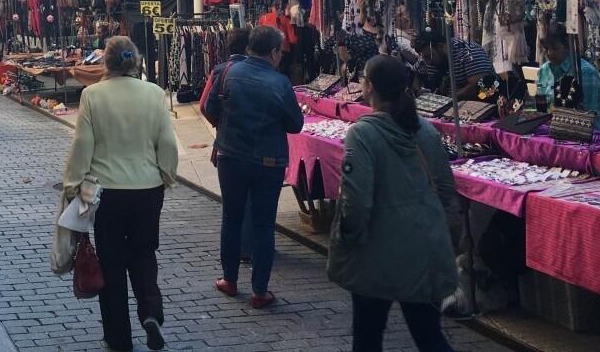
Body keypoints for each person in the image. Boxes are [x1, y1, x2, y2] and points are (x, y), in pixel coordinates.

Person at [327, 55, 460, 352]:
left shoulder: (363, 133)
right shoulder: (424, 129)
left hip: (378, 251)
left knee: (368, 335)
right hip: (426, 243)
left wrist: (347, 236)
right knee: (428, 333)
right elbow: (447, 186)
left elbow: (356, 200)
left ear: (370, 86)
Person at [63, 36, 177, 352]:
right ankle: (151, 312)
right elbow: (166, 142)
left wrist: (73, 186)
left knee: (110, 262)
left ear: (106, 63)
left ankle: (118, 337)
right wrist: (166, 175)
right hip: (147, 189)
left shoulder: (92, 96)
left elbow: (82, 145)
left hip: (105, 191)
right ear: (135, 60)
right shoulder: (154, 94)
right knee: (143, 254)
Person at [202, 26, 304, 309]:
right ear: (273, 52)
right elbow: (295, 124)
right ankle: (260, 290)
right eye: (280, 52)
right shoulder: (280, 83)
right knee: (263, 224)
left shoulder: (226, 72)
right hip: (268, 161)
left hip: (231, 156)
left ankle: (229, 279)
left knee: (231, 218)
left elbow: (210, 108)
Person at [199, 29, 255, 263]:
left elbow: (204, 106)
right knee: (252, 199)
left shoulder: (220, 71)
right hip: (256, 145)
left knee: (233, 203)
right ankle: (252, 245)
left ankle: (235, 253)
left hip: (227, 145)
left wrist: (220, 125)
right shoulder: (263, 72)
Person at [536, 22, 600, 132]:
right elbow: (542, 108)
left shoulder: (586, 73)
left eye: (555, 48)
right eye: (546, 49)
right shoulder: (544, 71)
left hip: (591, 134)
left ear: (567, 47)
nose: (550, 53)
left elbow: (589, 115)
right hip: (556, 131)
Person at [416, 28, 495, 101]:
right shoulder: (429, 57)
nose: (427, 62)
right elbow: (414, 73)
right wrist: (418, 91)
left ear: (440, 46)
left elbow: (480, 87)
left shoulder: (468, 52)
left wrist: (447, 100)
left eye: (429, 57)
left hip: (481, 103)